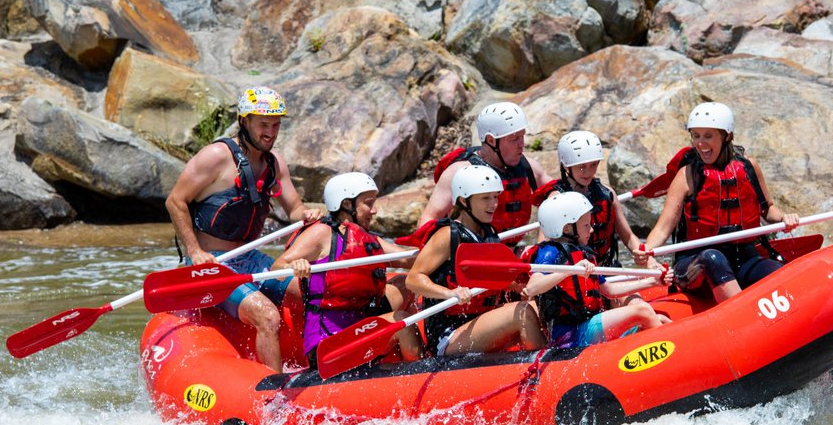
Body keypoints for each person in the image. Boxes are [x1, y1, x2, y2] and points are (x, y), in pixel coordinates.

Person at [164, 86, 320, 372]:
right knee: (268, 316)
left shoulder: (274, 164)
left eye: (276, 125)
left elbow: (294, 209)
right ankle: (274, 393)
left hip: (250, 258)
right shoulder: (216, 156)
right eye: (263, 125)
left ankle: (313, 370)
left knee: (315, 292)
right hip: (213, 263)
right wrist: (195, 252)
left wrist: (308, 213)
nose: (270, 133)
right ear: (244, 121)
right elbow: (175, 201)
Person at [642, 102, 799, 303]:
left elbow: (768, 210)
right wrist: (647, 252)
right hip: (696, 263)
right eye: (696, 136)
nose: (700, 143)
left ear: (727, 136)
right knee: (712, 257)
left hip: (744, 257)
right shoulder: (687, 175)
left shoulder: (749, 166)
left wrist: (785, 217)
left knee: (777, 271)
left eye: (708, 136)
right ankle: (742, 317)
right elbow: (663, 228)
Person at [273, 172, 422, 369]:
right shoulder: (322, 233)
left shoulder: (365, 238)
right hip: (329, 344)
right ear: (346, 205)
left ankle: (400, 360)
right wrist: (296, 265)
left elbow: (408, 259)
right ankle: (420, 374)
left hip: (360, 328)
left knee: (405, 284)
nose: (374, 210)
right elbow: (278, 268)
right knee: (403, 321)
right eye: (368, 203)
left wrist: (443, 250)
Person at [407, 165, 546, 356]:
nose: (494, 204)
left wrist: (520, 285)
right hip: (448, 336)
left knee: (536, 308)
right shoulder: (447, 235)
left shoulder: (488, 234)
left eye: (495, 197)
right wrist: (449, 293)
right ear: (464, 201)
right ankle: (542, 370)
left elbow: (491, 279)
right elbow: (413, 279)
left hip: (479, 323)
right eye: (485, 198)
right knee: (522, 313)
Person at [524, 192, 666, 349]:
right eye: (586, 225)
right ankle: (673, 354)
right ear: (567, 228)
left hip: (588, 325)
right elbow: (532, 288)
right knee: (643, 311)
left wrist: (652, 282)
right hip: (569, 337)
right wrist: (570, 271)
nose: (591, 230)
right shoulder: (550, 252)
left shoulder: (582, 253)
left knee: (660, 318)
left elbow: (609, 290)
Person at [415, 102, 550, 240]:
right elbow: (427, 219)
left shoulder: (528, 166)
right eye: (514, 138)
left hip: (514, 252)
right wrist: (446, 247)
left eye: (522, 136)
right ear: (491, 140)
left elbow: (559, 196)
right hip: (475, 253)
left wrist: (541, 244)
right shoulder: (460, 171)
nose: (522, 144)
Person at [534, 130, 643, 267]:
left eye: (593, 165)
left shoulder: (607, 194)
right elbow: (543, 247)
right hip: (574, 272)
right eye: (582, 167)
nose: (588, 172)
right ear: (566, 166)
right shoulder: (556, 200)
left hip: (605, 269)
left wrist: (645, 256)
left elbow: (628, 237)